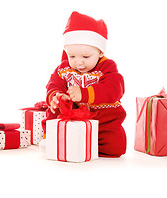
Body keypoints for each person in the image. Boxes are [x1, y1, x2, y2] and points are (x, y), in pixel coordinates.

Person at [44, 11, 126, 157]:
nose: (78, 62)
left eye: (86, 56)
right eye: (72, 56)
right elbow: (53, 85)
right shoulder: (64, 68)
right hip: (73, 120)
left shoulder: (107, 67)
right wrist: (57, 96)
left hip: (104, 122)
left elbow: (115, 88)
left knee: (116, 147)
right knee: (54, 117)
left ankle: (89, 147)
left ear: (100, 52)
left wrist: (84, 93)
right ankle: (61, 142)